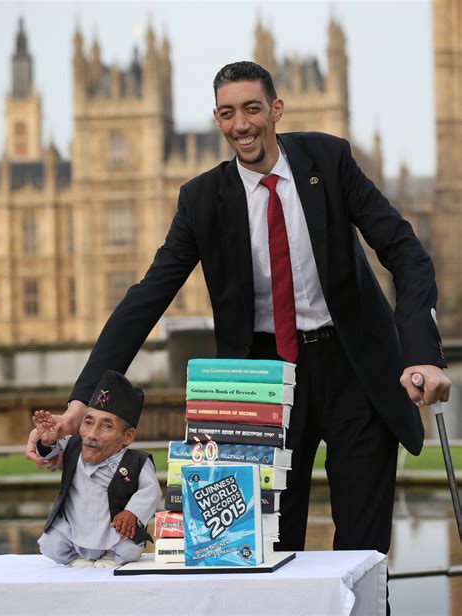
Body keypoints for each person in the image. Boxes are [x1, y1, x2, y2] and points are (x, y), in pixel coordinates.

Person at [26, 61, 450, 559]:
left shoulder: (328, 161)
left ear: (276, 109)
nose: (242, 124)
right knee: (265, 545)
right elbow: (145, 301)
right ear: (217, 119)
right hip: (263, 380)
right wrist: (81, 403)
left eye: (252, 109)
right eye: (228, 113)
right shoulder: (202, 200)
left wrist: (421, 352)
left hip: (354, 366)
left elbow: (404, 250)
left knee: (362, 550)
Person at [36, 370, 162, 568]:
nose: (92, 434)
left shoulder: (136, 462)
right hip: (74, 527)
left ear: (127, 437)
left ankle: (111, 556)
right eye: (88, 422)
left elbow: (151, 491)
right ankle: (75, 557)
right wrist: (47, 442)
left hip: (112, 531)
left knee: (129, 549)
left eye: (107, 426)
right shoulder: (72, 446)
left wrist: (131, 513)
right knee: (49, 545)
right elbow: (48, 454)